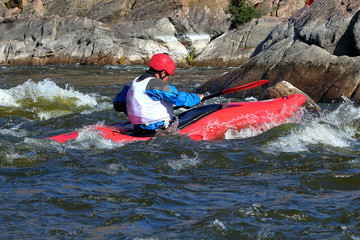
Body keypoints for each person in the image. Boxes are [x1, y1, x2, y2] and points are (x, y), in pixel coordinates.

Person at [113, 53, 204, 135]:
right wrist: (197, 98)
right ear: (163, 73)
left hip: (137, 127)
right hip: (156, 129)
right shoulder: (157, 84)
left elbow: (117, 104)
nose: (168, 78)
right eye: (168, 75)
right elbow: (182, 99)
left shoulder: (132, 83)